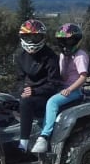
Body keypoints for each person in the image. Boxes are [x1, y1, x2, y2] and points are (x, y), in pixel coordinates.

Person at [31, 23, 90, 154]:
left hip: (74, 90)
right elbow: (62, 76)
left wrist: (69, 89)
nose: (65, 43)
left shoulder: (80, 55)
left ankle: (44, 136)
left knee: (52, 101)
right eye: (63, 40)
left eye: (69, 40)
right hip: (62, 87)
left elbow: (83, 77)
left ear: (76, 40)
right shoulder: (63, 56)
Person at [15, 19, 62, 152]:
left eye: (35, 37)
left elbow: (55, 83)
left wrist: (34, 91)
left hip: (46, 94)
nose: (31, 41)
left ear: (42, 38)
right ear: (22, 37)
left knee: (25, 102)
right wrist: (22, 90)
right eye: (27, 37)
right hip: (29, 91)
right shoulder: (20, 57)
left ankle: (23, 144)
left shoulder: (50, 57)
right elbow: (19, 79)